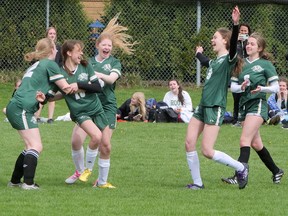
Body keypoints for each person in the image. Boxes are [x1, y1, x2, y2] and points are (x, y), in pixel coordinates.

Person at [65, 13, 136, 188]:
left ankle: (101, 181)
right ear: (97, 46)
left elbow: (111, 80)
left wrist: (95, 75)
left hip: (107, 106)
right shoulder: (87, 63)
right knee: (76, 141)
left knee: (105, 144)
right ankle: (80, 171)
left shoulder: (114, 62)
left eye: (109, 45)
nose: (107, 48)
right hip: (88, 105)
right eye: (104, 44)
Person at [185, 6, 249, 190]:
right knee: (189, 142)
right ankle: (197, 183)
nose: (212, 40)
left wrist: (235, 24)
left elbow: (235, 41)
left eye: (215, 37)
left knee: (207, 150)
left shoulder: (229, 59)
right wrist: (198, 53)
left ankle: (240, 168)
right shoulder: (215, 61)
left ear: (225, 41)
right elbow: (206, 62)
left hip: (215, 106)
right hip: (203, 106)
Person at [5, 38, 74, 190]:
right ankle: (28, 184)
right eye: (55, 49)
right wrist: (87, 85)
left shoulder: (37, 65)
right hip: (22, 107)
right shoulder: (50, 64)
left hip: (18, 106)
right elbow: (67, 88)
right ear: (50, 51)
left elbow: (50, 97)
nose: (57, 51)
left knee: (30, 146)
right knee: (35, 145)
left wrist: (65, 92)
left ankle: (15, 181)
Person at [41, 39, 110, 187]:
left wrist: (78, 85)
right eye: (79, 51)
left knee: (106, 145)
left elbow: (97, 87)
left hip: (96, 109)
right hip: (80, 112)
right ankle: (86, 170)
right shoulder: (59, 73)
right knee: (95, 137)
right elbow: (54, 94)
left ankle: (102, 182)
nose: (82, 53)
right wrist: (43, 98)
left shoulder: (85, 66)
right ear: (69, 53)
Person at [222, 32, 284, 188]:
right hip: (244, 105)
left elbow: (276, 87)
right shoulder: (240, 63)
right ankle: (276, 171)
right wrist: (241, 87)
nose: (248, 46)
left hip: (258, 104)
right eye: (247, 43)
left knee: (244, 140)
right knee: (256, 144)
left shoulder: (265, 65)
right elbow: (233, 87)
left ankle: (239, 174)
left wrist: (262, 88)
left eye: (252, 44)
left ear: (260, 48)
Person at [34, 27, 63, 124]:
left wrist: (58, 71)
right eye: (50, 33)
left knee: (52, 94)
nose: (52, 35)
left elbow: (61, 61)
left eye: (54, 33)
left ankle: (50, 118)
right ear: (47, 35)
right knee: (42, 93)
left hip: (55, 74)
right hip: (45, 74)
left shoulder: (59, 47)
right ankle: (36, 117)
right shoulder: (44, 46)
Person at [232, 23, 251, 126]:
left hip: (248, 71)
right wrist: (237, 41)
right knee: (236, 95)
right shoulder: (235, 43)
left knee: (247, 95)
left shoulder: (250, 44)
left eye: (245, 31)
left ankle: (246, 118)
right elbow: (233, 54)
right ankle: (235, 119)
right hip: (237, 71)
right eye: (241, 31)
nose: (243, 33)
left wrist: (246, 44)